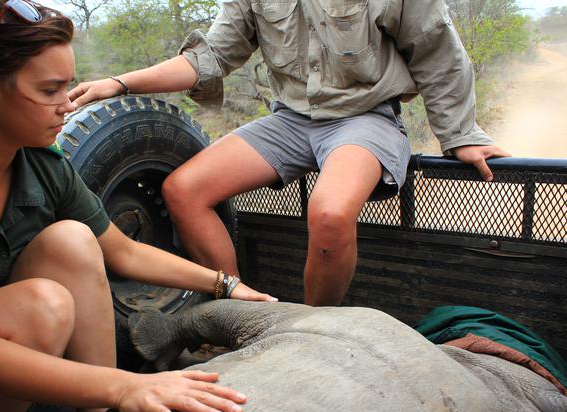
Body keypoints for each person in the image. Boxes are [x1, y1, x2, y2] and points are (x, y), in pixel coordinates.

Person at [0, 0, 276, 412]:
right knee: (40, 306)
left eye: (68, 87)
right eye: (50, 90)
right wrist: (125, 385)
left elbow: (122, 251)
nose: (66, 105)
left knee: (72, 241)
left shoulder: (39, 163)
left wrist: (224, 284)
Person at [69, 0, 512, 307]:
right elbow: (211, 58)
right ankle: (239, 315)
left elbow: (436, 50)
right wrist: (121, 83)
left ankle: (311, 330)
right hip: (291, 119)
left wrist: (459, 134)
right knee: (183, 189)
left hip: (364, 117)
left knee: (331, 212)